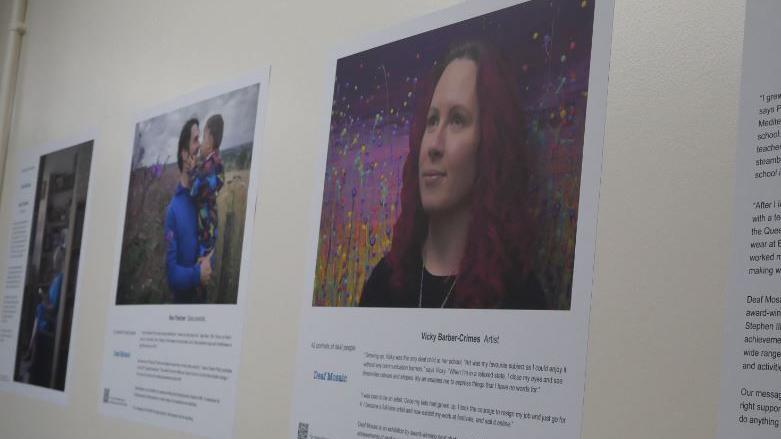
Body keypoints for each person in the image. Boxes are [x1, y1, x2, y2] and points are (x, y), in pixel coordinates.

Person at [360, 41, 548, 309]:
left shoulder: (519, 297)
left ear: (490, 143)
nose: (434, 145)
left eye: (457, 120)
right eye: (432, 120)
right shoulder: (385, 283)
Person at [164, 118, 212, 303]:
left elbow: (210, 241)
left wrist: (208, 261)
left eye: (200, 139)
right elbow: (172, 274)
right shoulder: (172, 211)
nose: (200, 145)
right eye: (195, 140)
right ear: (184, 154)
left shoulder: (203, 197)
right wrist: (196, 275)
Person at [190, 114, 225, 264]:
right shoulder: (217, 161)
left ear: (210, 140)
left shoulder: (209, 165)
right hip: (211, 223)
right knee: (207, 261)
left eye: (203, 138)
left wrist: (192, 170)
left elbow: (194, 190)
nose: (201, 143)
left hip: (205, 226)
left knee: (201, 263)